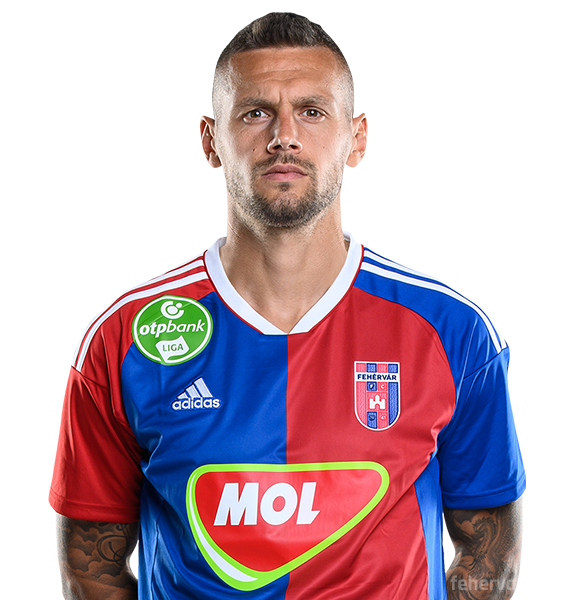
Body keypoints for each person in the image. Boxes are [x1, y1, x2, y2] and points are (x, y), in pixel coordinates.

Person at [50, 12, 525, 600]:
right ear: (210, 141)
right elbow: (90, 568)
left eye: (312, 111)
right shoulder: (122, 337)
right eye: (255, 113)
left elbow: (489, 555)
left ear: (357, 139)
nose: (284, 136)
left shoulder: (453, 332)